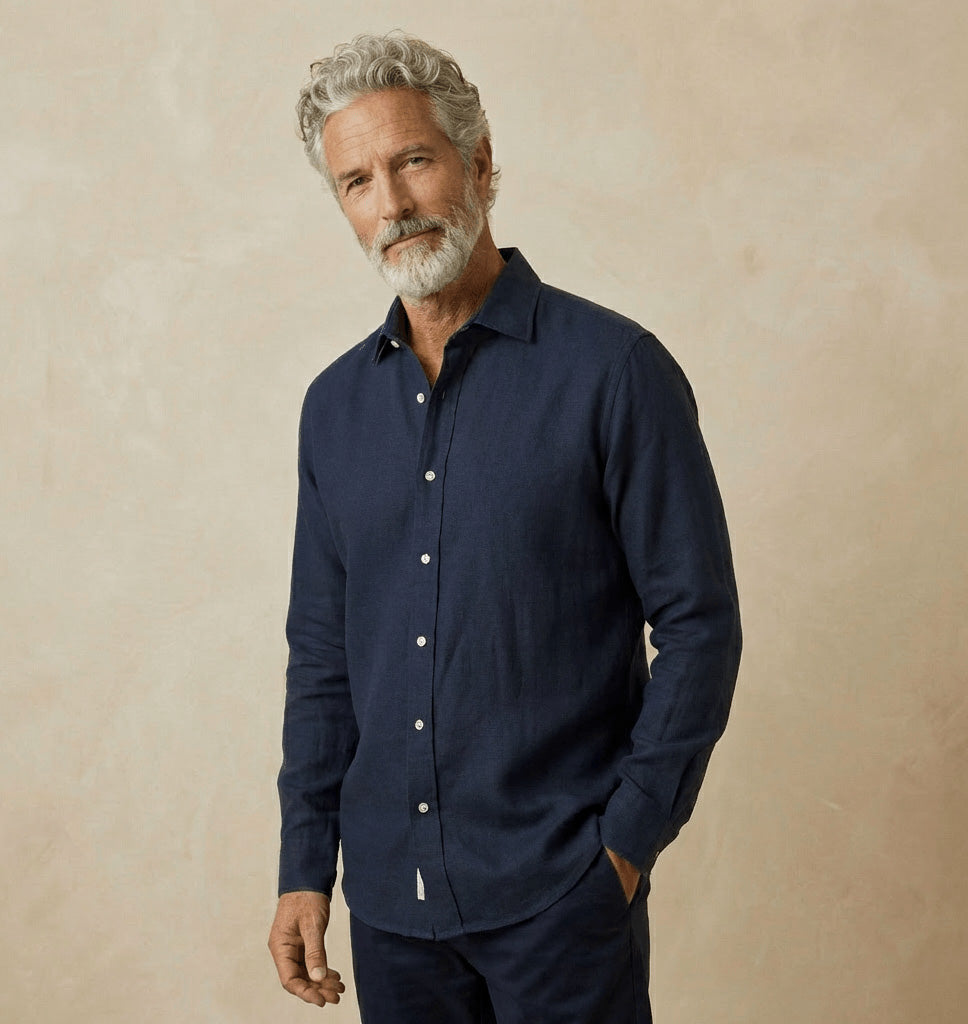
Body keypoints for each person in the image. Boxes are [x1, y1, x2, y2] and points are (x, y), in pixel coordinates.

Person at [268, 32, 741, 1024]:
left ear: (479, 162)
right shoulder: (333, 409)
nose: (389, 205)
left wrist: (621, 846)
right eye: (356, 181)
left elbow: (698, 624)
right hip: (391, 910)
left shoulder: (613, 372)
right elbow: (321, 654)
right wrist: (303, 866)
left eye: (412, 161)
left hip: (558, 901)